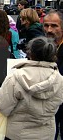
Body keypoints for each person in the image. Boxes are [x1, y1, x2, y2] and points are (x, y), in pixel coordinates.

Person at [0, 37, 63, 140]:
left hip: (17, 134)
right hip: (46, 134)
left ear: (30, 53)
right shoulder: (59, 80)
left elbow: (2, 107)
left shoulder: (15, 78)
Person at [43, 10, 63, 140]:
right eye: (46, 25)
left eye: (54, 26)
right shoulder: (42, 46)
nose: (49, 30)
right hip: (48, 103)